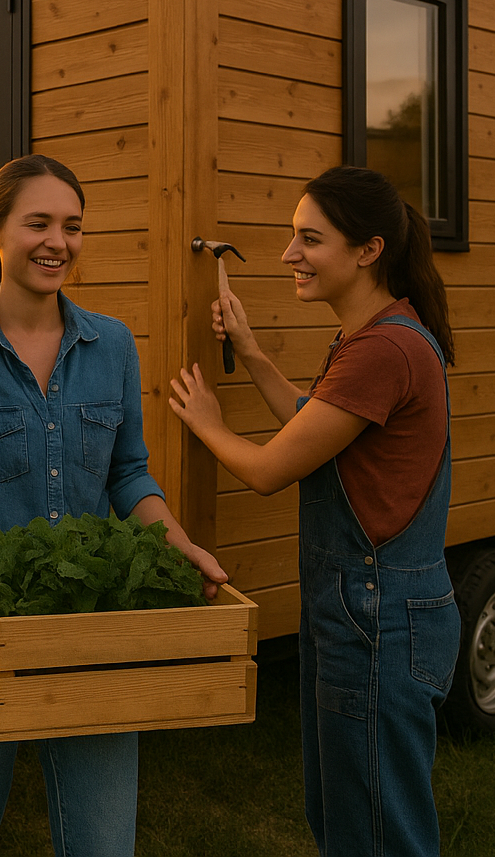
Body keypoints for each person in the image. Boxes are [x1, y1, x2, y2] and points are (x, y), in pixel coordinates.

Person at [0, 154, 227, 857]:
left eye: (71, 226)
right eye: (37, 223)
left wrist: (175, 544)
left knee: (102, 844)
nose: (56, 241)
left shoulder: (112, 345)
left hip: (90, 629)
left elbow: (129, 476)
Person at [168, 165, 460, 857]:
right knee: (347, 821)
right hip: (370, 610)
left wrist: (207, 422)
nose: (288, 255)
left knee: (375, 836)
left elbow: (273, 467)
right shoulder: (380, 337)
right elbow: (318, 425)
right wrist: (253, 353)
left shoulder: (383, 349)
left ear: (368, 251)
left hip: (377, 617)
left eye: (310, 239)